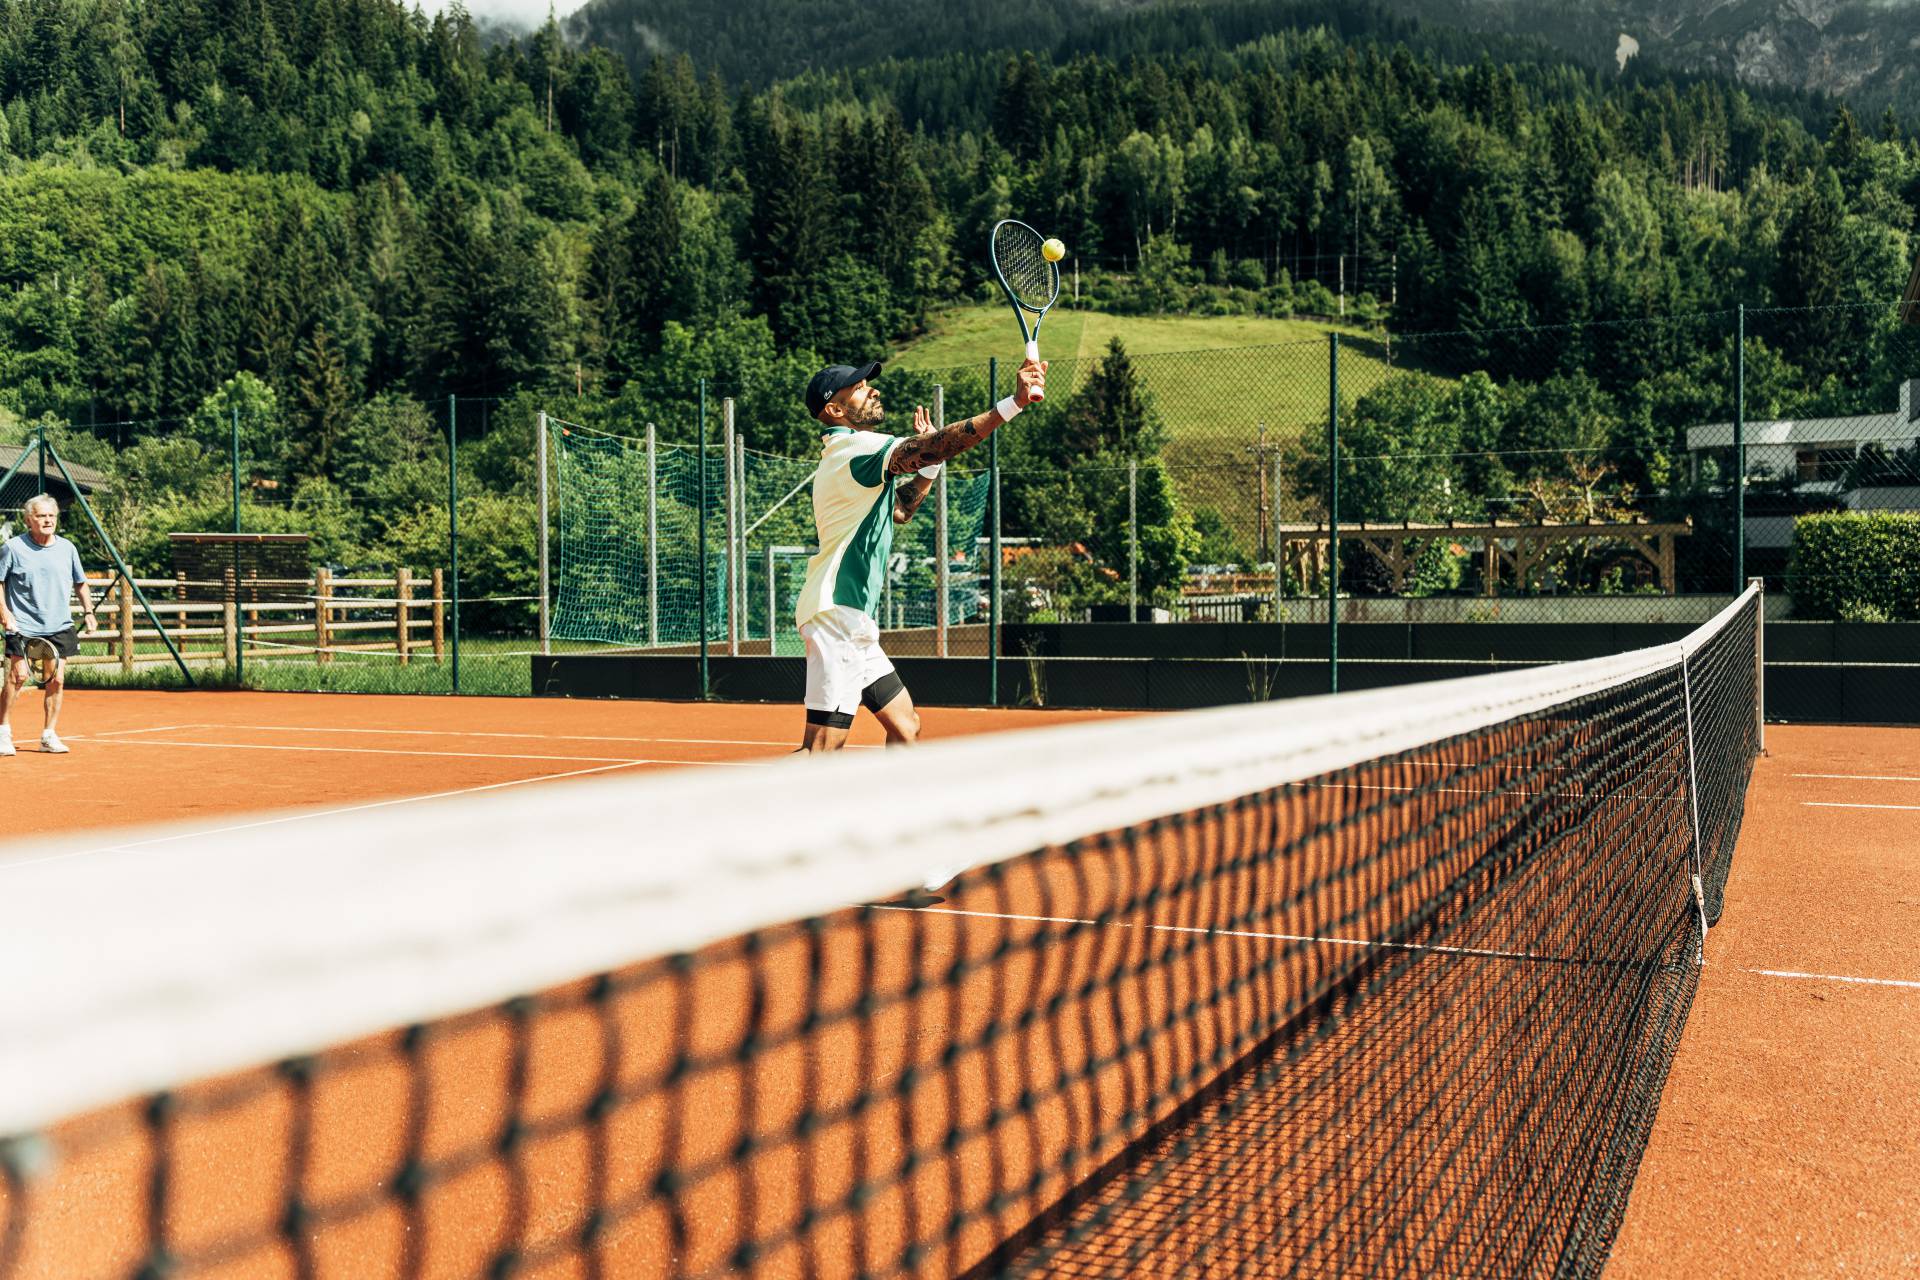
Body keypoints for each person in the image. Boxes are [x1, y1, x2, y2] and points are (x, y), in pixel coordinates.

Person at [794, 355, 1045, 753]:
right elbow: (935, 445)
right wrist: (1012, 403)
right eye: (859, 387)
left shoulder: (847, 457)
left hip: (852, 621)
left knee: (906, 728)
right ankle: (730, 812)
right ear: (836, 410)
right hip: (837, 617)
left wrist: (929, 466)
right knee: (819, 751)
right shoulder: (855, 447)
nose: (872, 389)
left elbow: (901, 510)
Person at [0, 495, 98, 755]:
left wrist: (88, 611)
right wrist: (4, 612)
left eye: (51, 516)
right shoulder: (12, 547)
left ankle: (48, 735)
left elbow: (80, 582)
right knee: (18, 677)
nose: (47, 520)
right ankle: (3, 732)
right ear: (28, 519)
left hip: (59, 625)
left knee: (57, 680)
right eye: (42, 516)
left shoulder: (68, 548)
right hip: (22, 625)